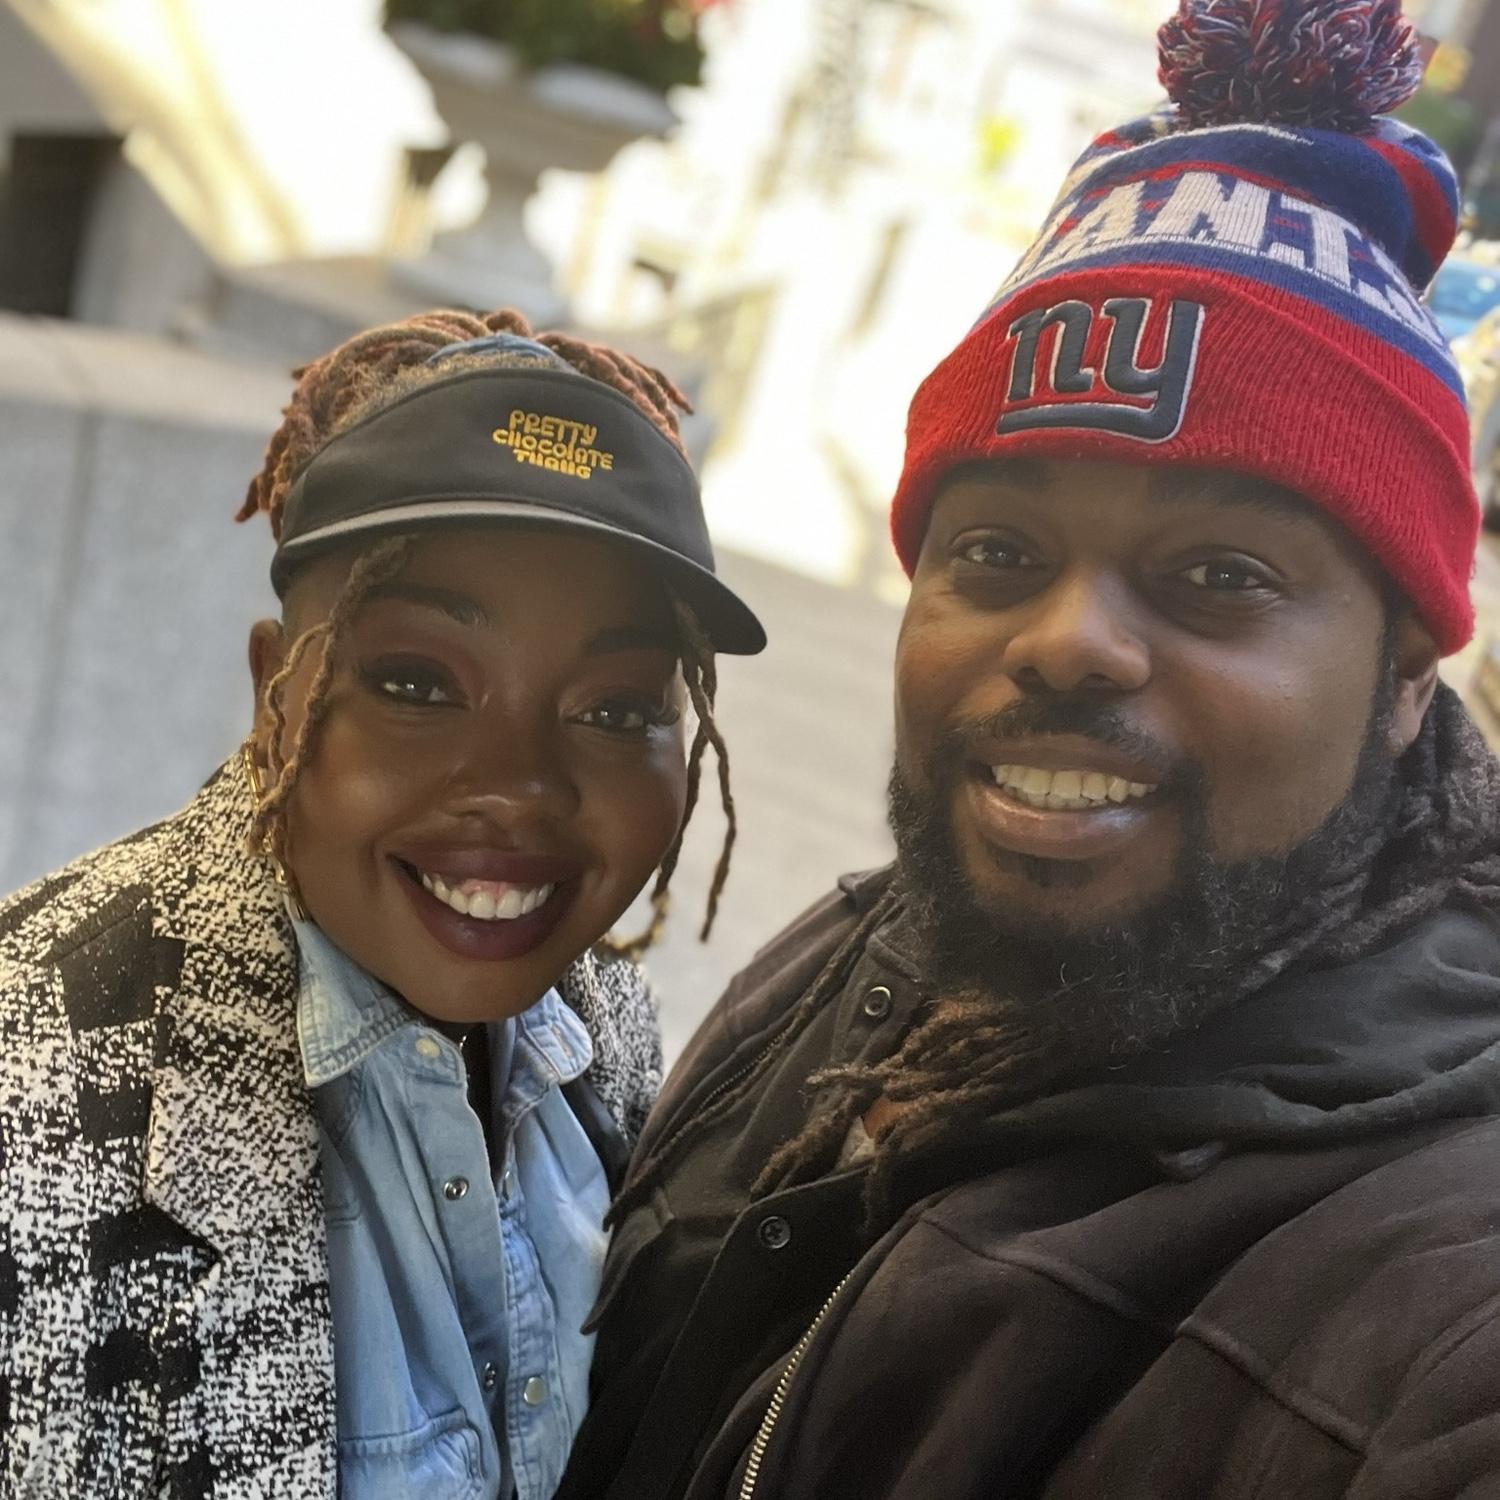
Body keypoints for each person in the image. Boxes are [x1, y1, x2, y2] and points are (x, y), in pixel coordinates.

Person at [559, 5, 1500, 1497]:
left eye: (1220, 576)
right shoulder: (860, 961)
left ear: (1401, 676)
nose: (1069, 643)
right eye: (997, 551)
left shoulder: (1436, 1297)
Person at [0, 308, 764, 1499]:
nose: (520, 787)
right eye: (418, 684)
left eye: (617, 710)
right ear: (274, 697)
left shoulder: (604, 1028)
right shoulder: (37, 1101)